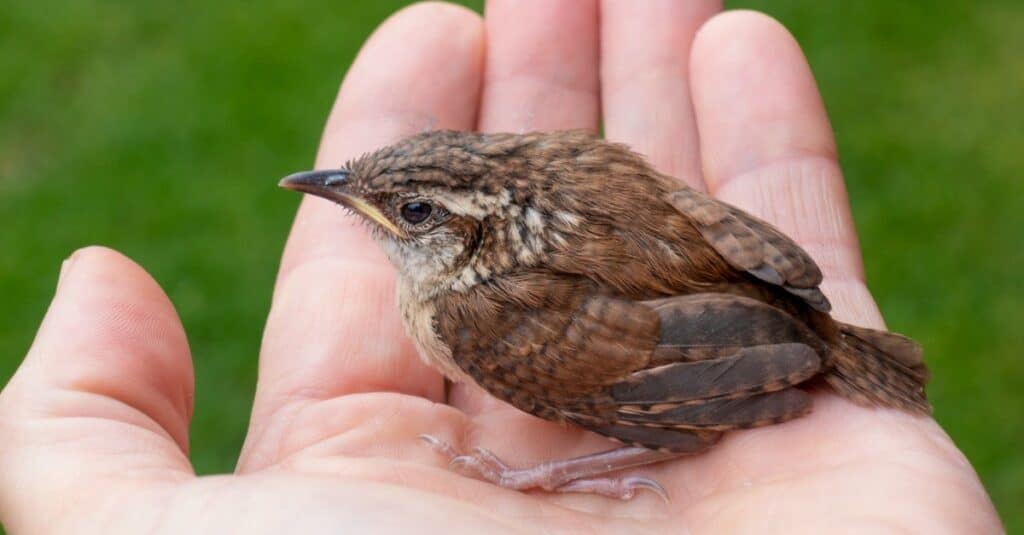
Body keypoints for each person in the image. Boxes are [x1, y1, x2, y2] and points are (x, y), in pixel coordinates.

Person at [0, 2, 1002, 532]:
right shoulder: (553, 159)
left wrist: (550, 473)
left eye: (409, 209)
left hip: (726, 326)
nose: (372, 210)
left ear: (467, 233)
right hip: (739, 283)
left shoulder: (476, 318)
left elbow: (662, 401)